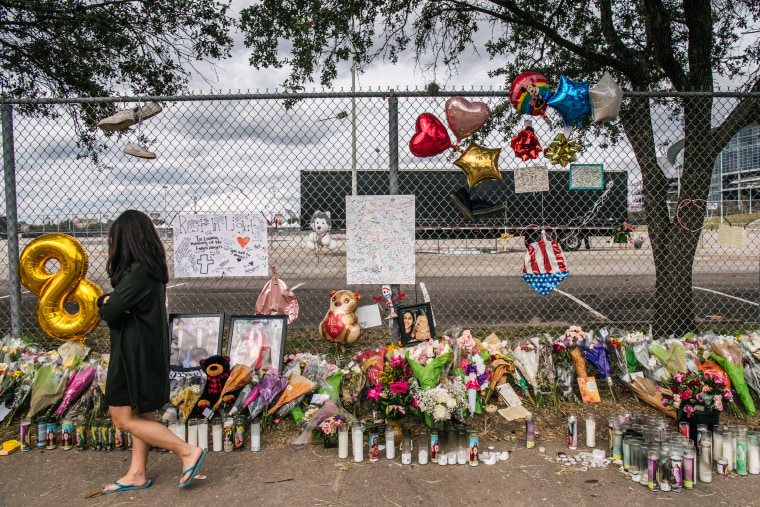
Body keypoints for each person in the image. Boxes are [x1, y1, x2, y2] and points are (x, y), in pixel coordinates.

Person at [98, 210, 205, 493]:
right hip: (147, 352)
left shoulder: (137, 274)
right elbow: (118, 307)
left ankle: (186, 451)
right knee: (142, 415)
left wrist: (106, 301)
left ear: (124, 241)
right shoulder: (151, 271)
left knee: (122, 419)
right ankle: (136, 473)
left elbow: (110, 311)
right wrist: (114, 302)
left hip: (132, 355)